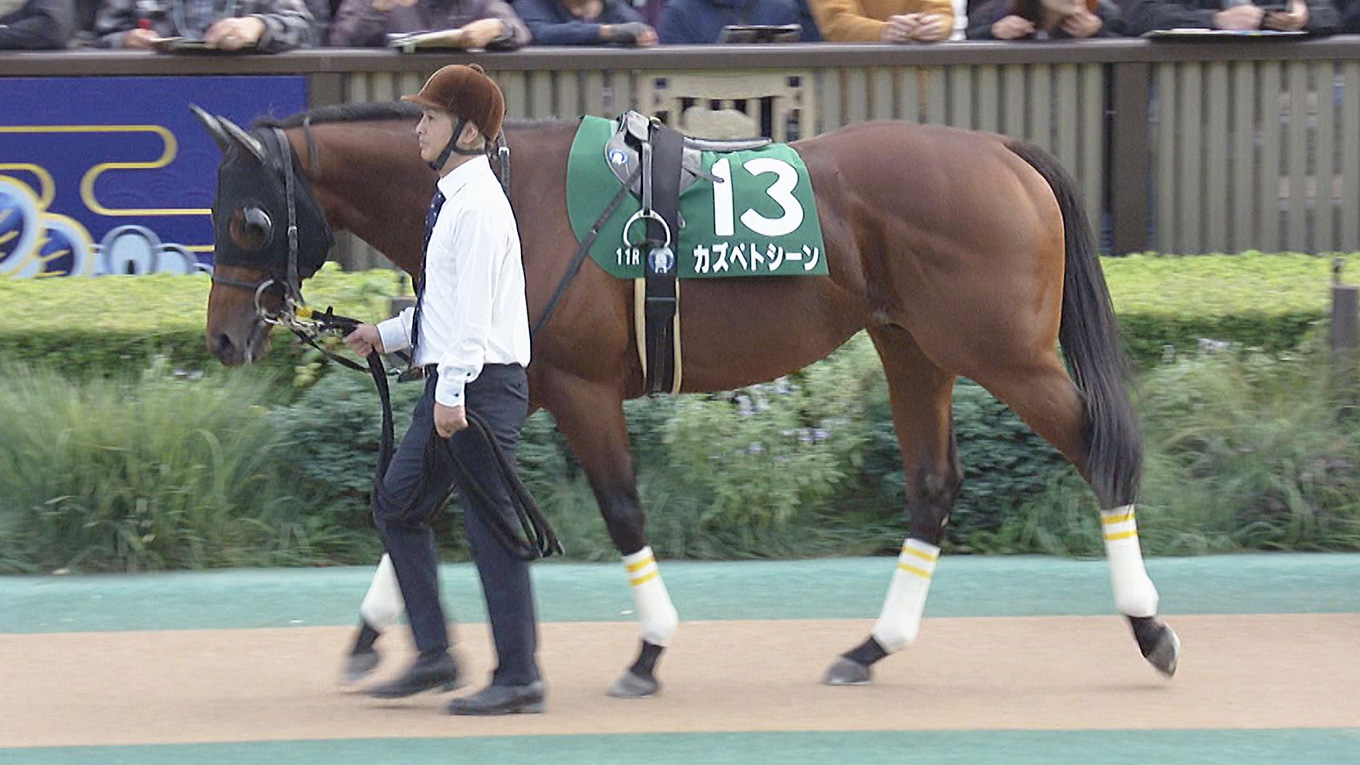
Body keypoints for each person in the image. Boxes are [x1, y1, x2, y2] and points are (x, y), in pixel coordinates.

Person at [343, 64, 543, 716]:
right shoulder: (457, 201)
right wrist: (386, 334)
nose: (418, 128)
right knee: (397, 505)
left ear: (467, 132)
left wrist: (450, 394)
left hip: (478, 389)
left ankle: (520, 676)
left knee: (491, 530)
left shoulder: (477, 207)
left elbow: (474, 317)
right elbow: (445, 307)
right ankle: (435, 654)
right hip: (460, 386)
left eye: (430, 117)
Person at [94, 0, 315, 50]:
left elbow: (305, 30)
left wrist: (259, 26)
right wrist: (125, 40)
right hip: (150, 97)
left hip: (243, 91)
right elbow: (97, 39)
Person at [327, 0, 529, 48]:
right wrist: (377, 9)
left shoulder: (480, 3)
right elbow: (339, 43)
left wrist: (498, 28)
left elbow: (520, 31)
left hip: (461, 111)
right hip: (390, 112)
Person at [1118, 0, 1339, 35]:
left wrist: (1302, 18)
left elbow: (1332, 15)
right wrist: (1216, 20)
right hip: (1182, 81)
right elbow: (1138, 16)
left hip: (1272, 83)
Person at [516, 0, 656, 46]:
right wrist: (605, 32)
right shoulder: (532, 4)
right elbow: (537, 34)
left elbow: (645, 36)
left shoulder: (620, 12)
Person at [657, 0, 805, 43]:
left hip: (771, 106)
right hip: (699, 106)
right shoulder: (679, 11)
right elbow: (665, 83)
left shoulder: (781, 8)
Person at [806, 0, 954, 42]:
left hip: (921, 84)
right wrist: (883, 32)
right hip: (854, 83)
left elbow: (941, 11)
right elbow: (836, 23)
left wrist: (938, 25)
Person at [967, 0, 1123, 37]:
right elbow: (970, 39)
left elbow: (1129, 61)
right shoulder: (997, 12)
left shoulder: (1104, 14)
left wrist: (1099, 32)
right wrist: (994, 32)